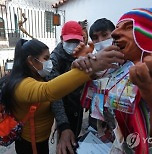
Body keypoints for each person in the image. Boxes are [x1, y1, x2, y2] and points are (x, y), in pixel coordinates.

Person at [72, 7, 152, 153]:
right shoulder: (116, 66)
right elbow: (96, 84)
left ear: (147, 35)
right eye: (117, 28)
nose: (115, 34)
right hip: (117, 145)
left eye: (128, 28)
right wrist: (84, 63)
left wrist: (151, 86)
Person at [1, 38, 124, 154]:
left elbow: (59, 88)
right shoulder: (20, 86)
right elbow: (49, 91)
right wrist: (91, 66)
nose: (50, 62)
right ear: (31, 61)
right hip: (29, 144)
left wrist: (78, 65)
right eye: (46, 58)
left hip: (43, 140)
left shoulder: (40, 76)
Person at [46, 20, 86, 154]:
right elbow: (55, 95)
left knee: (75, 141)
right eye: (70, 41)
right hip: (63, 110)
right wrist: (63, 125)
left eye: (76, 41)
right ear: (61, 39)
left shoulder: (82, 53)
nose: (73, 44)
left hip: (78, 107)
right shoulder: (54, 60)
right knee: (65, 143)